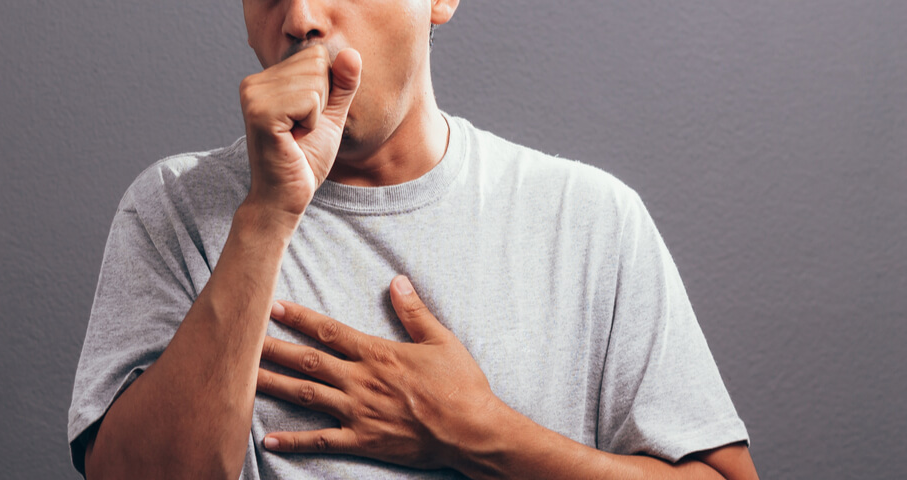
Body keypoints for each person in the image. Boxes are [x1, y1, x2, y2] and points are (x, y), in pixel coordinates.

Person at [68, 0, 757, 478]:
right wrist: (266, 216)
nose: (301, 18)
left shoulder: (590, 219)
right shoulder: (177, 210)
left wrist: (478, 433)